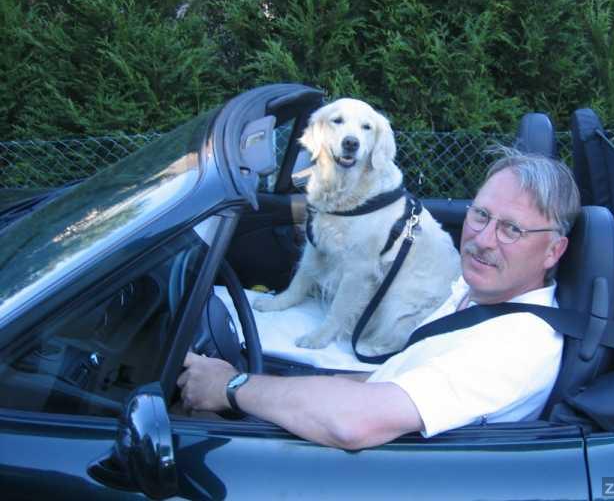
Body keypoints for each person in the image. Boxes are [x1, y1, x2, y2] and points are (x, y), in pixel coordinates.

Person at [178, 148, 581, 449]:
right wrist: (265, 388)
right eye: (481, 215)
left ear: (553, 251)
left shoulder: (514, 346)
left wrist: (231, 387)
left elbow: (353, 423)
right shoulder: (477, 292)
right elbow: (391, 378)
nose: (484, 240)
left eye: (511, 229)